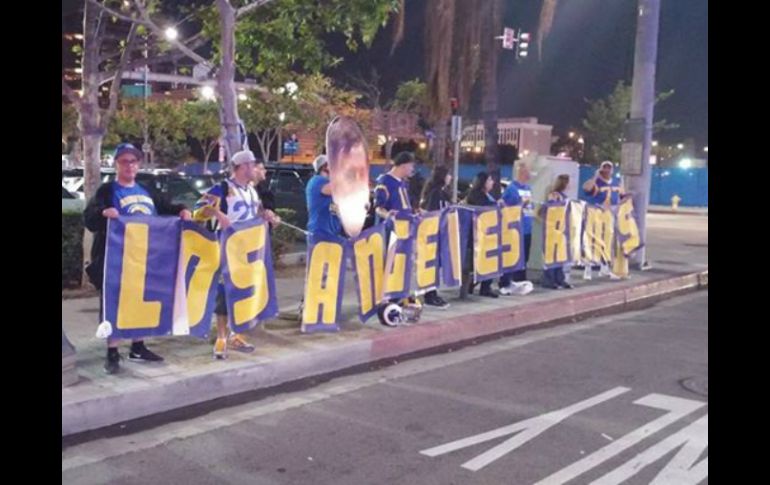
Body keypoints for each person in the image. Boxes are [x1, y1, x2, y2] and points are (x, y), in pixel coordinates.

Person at [84, 143, 192, 374]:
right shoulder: (107, 191)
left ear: (138, 164)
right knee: (115, 303)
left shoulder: (146, 190)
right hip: (116, 259)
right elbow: (89, 219)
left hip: (145, 258)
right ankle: (112, 352)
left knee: (142, 300)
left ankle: (138, 346)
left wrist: (182, 210)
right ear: (116, 165)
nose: (129, 165)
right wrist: (103, 213)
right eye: (124, 161)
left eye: (133, 161)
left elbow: (167, 208)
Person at [193, 150, 281, 359]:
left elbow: (257, 212)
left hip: (248, 251)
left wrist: (268, 216)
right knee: (224, 294)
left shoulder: (251, 191)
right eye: (252, 165)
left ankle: (237, 333)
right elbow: (198, 210)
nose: (256, 169)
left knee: (245, 293)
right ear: (242, 167)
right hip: (226, 250)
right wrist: (217, 212)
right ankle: (221, 336)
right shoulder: (223, 188)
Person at [581, 161, 626, 280]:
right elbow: (587, 188)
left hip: (609, 214)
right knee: (591, 239)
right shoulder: (596, 181)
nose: (606, 170)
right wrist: (596, 176)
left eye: (609, 168)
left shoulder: (616, 182)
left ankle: (604, 268)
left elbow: (622, 196)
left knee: (607, 240)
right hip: (595, 211)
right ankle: (588, 268)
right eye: (604, 167)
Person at [498, 160, 536, 296]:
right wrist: (520, 205)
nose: (530, 174)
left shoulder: (528, 189)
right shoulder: (512, 188)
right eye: (528, 171)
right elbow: (503, 204)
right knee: (512, 255)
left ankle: (520, 279)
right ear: (522, 172)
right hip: (515, 228)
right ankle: (506, 281)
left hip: (527, 227)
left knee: (524, 256)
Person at [417, 165, 452, 309]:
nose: (450, 177)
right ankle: (430, 296)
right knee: (432, 266)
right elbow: (432, 213)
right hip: (432, 234)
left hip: (437, 234)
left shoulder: (440, 192)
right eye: (448, 174)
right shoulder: (436, 193)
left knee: (434, 266)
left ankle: (432, 293)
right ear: (442, 177)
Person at [464, 171, 500, 298]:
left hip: (489, 233)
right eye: (490, 180)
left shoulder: (487, 195)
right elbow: (482, 209)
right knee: (479, 260)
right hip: (478, 234)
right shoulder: (476, 195)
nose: (492, 182)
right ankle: (475, 284)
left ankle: (483, 285)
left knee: (488, 259)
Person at [542, 174, 575, 290]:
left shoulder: (564, 196)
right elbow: (550, 209)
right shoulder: (554, 195)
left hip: (561, 229)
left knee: (560, 255)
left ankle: (559, 279)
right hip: (553, 230)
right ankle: (549, 280)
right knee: (552, 255)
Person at [306, 154, 343, 243]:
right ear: (325, 167)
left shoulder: (327, 183)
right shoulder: (317, 181)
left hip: (331, 233)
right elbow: (337, 189)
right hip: (320, 233)